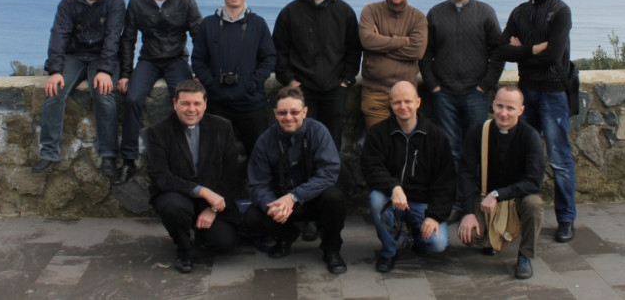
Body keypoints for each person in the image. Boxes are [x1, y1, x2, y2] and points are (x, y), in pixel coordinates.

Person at [498, 0, 577, 243]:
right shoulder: (519, 12)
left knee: (559, 159)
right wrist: (532, 50)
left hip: (554, 92)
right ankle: (518, 216)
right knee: (522, 155)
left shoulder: (560, 11)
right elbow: (501, 50)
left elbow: (554, 56)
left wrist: (521, 52)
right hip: (526, 92)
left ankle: (566, 219)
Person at [31, 0, 125, 177]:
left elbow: (113, 37)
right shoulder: (70, 0)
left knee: (104, 94)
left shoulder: (115, 1)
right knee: (54, 91)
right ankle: (49, 153)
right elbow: (59, 34)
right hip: (74, 54)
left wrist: (105, 70)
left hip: (101, 56)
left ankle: (108, 155)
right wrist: (55, 70)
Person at [244, 86, 348, 275]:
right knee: (252, 216)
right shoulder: (265, 140)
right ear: (275, 114)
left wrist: (294, 196)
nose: (288, 117)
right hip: (280, 202)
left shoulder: (318, 131)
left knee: (334, 198)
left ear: (305, 112)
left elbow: (329, 172)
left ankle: (331, 249)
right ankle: (286, 235)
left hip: (312, 198)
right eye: (282, 113)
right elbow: (257, 183)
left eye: (294, 112)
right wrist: (272, 206)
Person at [115, 0, 202, 184]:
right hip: (149, 60)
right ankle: (129, 160)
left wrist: (200, 70)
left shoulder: (185, 0)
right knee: (132, 99)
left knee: (185, 102)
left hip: (176, 59)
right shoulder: (138, 1)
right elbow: (128, 39)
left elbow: (199, 36)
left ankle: (186, 157)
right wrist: (125, 73)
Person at [146, 79, 241, 274]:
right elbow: (161, 176)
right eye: (185, 103)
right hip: (177, 194)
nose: (191, 109)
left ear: (205, 103)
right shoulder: (158, 132)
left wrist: (213, 208)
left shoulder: (222, 127)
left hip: (212, 198)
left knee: (224, 243)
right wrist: (202, 191)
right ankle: (183, 250)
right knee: (173, 207)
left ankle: (199, 233)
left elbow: (231, 173)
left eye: (197, 103)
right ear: (175, 104)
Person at [361, 81, 455, 273]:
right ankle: (389, 251)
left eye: (407, 101)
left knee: (437, 243)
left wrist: (434, 216)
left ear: (418, 102)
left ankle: (414, 236)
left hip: (423, 202)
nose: (402, 106)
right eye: (397, 102)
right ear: (390, 104)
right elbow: (371, 168)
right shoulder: (378, 133)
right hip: (392, 199)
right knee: (375, 199)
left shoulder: (436, 136)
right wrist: (394, 187)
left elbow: (445, 182)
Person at [420, 0, 505, 169]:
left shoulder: (485, 12)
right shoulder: (435, 13)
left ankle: (472, 190)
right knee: (449, 149)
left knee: (476, 148)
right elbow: (425, 52)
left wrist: (485, 85)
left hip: (476, 93)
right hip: (444, 94)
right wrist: (433, 85)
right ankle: (453, 189)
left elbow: (498, 51)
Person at [272, 0, 361, 150]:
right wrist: (290, 81)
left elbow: (354, 49)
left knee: (332, 143)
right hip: (302, 90)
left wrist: (346, 80)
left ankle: (331, 173)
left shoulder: (344, 12)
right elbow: (279, 50)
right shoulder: (290, 12)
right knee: (301, 144)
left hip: (334, 90)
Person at [457, 85, 545, 279]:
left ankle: (525, 256)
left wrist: (498, 195)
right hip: (485, 199)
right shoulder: (479, 131)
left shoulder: (530, 136)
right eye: (500, 106)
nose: (503, 113)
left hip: (517, 198)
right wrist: (468, 212)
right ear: (493, 104)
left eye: (510, 108)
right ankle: (490, 239)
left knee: (534, 204)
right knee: (469, 235)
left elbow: (533, 182)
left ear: (521, 110)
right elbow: (466, 173)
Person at [191, 0, 276, 159]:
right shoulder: (208, 24)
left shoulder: (258, 24)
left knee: (259, 156)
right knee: (216, 156)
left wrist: (252, 83)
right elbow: (198, 60)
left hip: (251, 103)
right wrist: (211, 85)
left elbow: (269, 58)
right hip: (217, 103)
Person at [359, 0, 427, 129]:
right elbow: (367, 41)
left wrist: (380, 45)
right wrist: (404, 41)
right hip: (375, 92)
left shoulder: (418, 17)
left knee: (406, 139)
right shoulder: (370, 11)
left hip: (406, 94)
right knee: (378, 141)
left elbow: (418, 50)